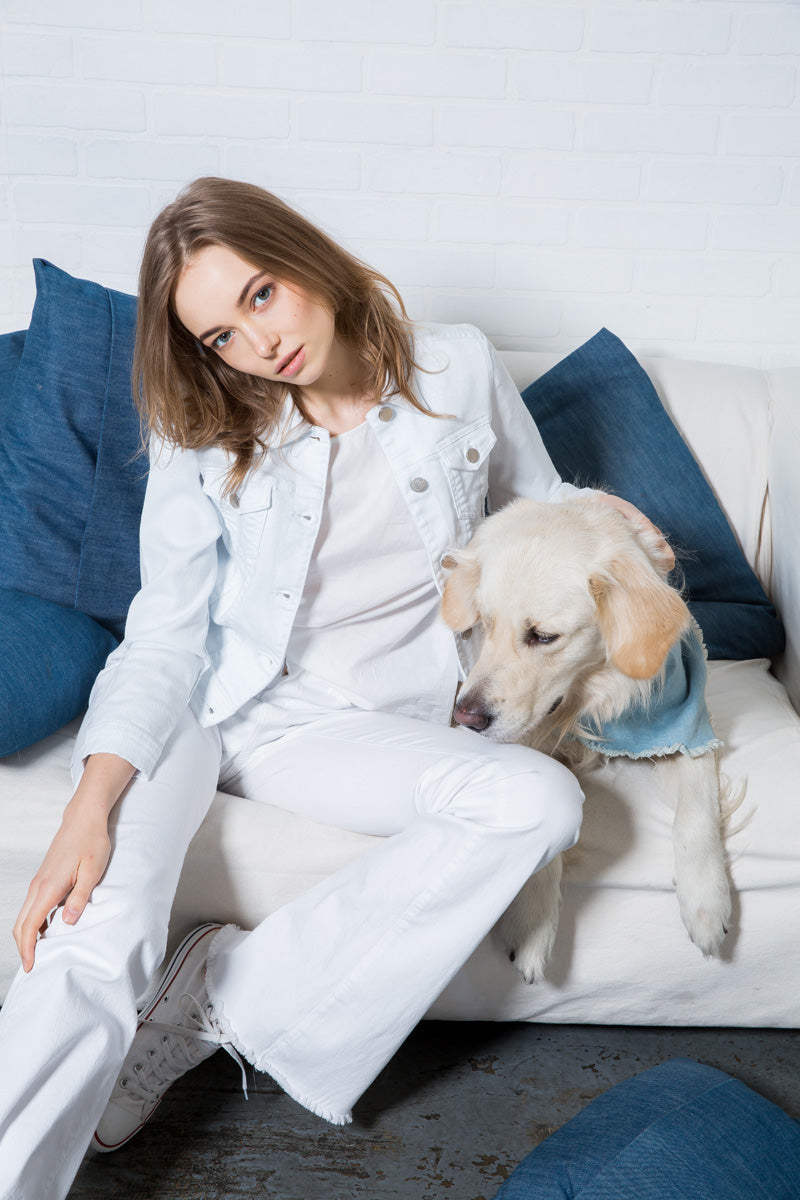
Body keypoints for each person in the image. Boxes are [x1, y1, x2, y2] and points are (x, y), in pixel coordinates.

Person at [0, 177, 663, 1200]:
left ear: (305, 256)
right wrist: (92, 800)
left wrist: (614, 525)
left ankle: (215, 1001)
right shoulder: (201, 424)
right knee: (94, 928)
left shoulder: (456, 364)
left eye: (261, 294)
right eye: (220, 335)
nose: (257, 345)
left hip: (353, 729)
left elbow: (536, 507)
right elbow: (166, 630)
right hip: (209, 703)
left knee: (539, 801)